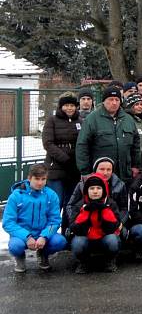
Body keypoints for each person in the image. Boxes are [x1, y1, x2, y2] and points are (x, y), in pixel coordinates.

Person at [3, 164, 67, 273]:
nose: (40, 183)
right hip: (22, 236)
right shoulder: (16, 195)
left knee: (60, 241)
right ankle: (20, 257)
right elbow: (8, 223)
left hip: (42, 233)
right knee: (15, 246)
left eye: (43, 179)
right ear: (29, 178)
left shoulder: (51, 195)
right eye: (37, 179)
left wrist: (44, 236)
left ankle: (43, 254)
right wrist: (27, 237)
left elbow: (55, 220)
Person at [75, 86, 141, 182]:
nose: (114, 103)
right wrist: (85, 171)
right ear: (104, 101)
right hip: (100, 175)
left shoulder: (128, 119)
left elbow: (136, 145)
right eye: (110, 99)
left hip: (125, 174)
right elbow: (82, 145)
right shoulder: (92, 119)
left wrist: (136, 166)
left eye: (117, 100)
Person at [42, 92, 82, 225]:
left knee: (71, 202)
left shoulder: (80, 121)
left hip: (74, 169)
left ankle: (67, 232)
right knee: (55, 202)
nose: (69, 108)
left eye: (72, 105)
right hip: (56, 168)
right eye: (66, 105)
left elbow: (84, 142)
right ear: (61, 107)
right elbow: (48, 143)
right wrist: (65, 159)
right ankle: (49, 232)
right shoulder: (52, 120)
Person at [69, 173, 122, 273]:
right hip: (86, 238)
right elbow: (73, 226)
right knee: (78, 242)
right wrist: (85, 212)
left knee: (113, 240)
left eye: (98, 188)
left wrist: (105, 210)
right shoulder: (80, 205)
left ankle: (110, 260)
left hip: (105, 237)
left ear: (104, 190)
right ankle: (83, 262)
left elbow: (115, 225)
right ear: (86, 191)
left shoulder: (110, 204)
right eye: (92, 188)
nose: (95, 191)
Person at [66, 157, 129, 230]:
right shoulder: (82, 184)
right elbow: (70, 206)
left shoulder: (120, 185)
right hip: (85, 225)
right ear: (95, 170)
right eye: (102, 169)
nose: (105, 173)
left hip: (110, 226)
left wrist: (118, 222)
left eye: (109, 170)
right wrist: (76, 221)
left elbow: (124, 209)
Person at [124, 94, 142, 163]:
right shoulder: (127, 121)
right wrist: (141, 152)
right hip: (134, 160)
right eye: (136, 104)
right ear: (130, 106)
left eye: (141, 104)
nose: (140, 107)